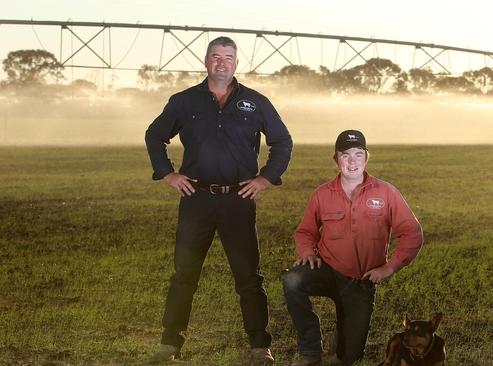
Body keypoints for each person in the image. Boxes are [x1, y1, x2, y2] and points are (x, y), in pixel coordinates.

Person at [145, 36, 292, 365]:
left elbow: (282, 141)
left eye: (228, 57)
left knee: (249, 277)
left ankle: (259, 347)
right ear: (206, 61)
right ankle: (169, 344)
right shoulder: (184, 101)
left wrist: (266, 178)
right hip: (195, 199)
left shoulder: (255, 102)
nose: (221, 62)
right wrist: (167, 174)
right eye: (215, 56)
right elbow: (154, 135)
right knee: (184, 275)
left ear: (237, 63)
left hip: (238, 201)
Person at [282, 130, 423, 366]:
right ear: (336, 160)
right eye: (345, 155)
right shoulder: (322, 194)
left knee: (349, 357)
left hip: (362, 280)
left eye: (358, 154)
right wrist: (307, 252)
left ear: (367, 157)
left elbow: (412, 232)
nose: (352, 161)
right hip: (328, 270)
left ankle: (344, 336)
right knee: (292, 280)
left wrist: (389, 268)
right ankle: (310, 350)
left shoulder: (386, 192)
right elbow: (305, 231)